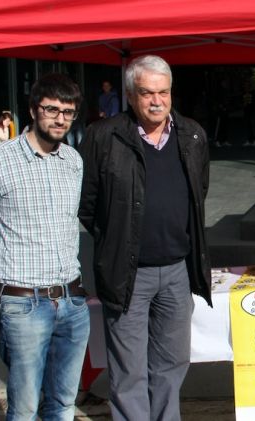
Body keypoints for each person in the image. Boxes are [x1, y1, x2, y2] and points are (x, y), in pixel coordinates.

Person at [79, 54, 212, 421]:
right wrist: (115, 240)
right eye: (147, 93)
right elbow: (87, 204)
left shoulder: (193, 134)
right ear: (130, 95)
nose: (156, 101)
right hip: (127, 273)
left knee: (171, 364)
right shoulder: (103, 137)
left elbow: (198, 191)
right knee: (129, 370)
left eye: (163, 92)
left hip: (177, 271)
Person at [0, 73, 88, 420]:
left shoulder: (73, 161)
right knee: (24, 408)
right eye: (52, 109)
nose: (60, 118)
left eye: (69, 112)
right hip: (23, 303)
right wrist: (1, 287)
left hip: (71, 300)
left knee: (63, 403)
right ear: (34, 110)